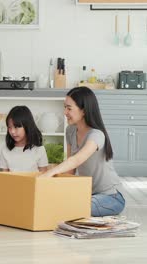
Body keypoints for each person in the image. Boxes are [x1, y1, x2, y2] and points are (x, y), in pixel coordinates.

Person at [40, 87, 125, 217]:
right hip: (87, 194)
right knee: (57, 204)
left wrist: (50, 173)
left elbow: (76, 160)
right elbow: (70, 171)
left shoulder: (96, 135)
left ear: (84, 110)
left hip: (111, 197)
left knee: (71, 208)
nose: (65, 112)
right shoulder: (70, 131)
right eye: (65, 107)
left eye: (69, 108)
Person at [0, 106, 48, 172]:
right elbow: (4, 178)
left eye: (16, 127)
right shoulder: (5, 149)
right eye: (9, 127)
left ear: (27, 126)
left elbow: (44, 178)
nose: (12, 131)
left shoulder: (39, 149)